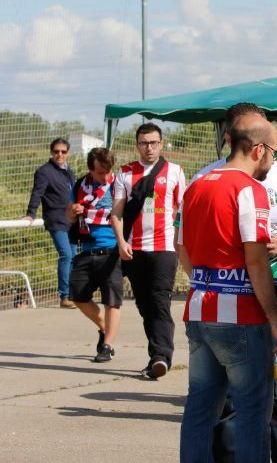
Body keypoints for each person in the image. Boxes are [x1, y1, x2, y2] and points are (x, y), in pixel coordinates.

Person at [178, 115, 277, 462]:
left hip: (199, 308)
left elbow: (180, 245)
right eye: (274, 153)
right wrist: (276, 322)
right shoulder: (250, 190)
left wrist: (207, 281)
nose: (274, 162)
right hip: (242, 317)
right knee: (252, 413)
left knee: (200, 408)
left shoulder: (196, 185)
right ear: (258, 149)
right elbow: (256, 261)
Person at [110, 123, 186, 379]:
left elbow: (183, 212)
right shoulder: (124, 173)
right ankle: (156, 353)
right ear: (137, 145)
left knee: (159, 300)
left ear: (161, 144)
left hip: (164, 248)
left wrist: (181, 246)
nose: (149, 147)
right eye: (144, 143)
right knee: (144, 305)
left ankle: (161, 356)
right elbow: (117, 212)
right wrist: (121, 242)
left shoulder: (174, 171)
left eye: (154, 142)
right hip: (134, 249)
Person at [66, 148, 123, 363]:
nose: (105, 176)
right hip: (86, 248)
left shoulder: (118, 184)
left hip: (112, 249)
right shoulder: (80, 185)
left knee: (112, 301)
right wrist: (73, 211)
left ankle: (107, 345)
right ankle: (104, 328)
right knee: (78, 295)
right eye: (100, 172)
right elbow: (68, 214)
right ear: (91, 169)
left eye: (108, 170)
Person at [25, 138, 76, 308]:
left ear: (67, 153)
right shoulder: (44, 172)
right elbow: (37, 193)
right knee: (66, 255)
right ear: (51, 152)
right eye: (56, 151)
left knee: (74, 257)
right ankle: (65, 296)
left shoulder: (70, 172)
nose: (59, 154)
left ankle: (73, 294)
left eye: (63, 151)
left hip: (71, 220)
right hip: (56, 220)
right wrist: (31, 214)